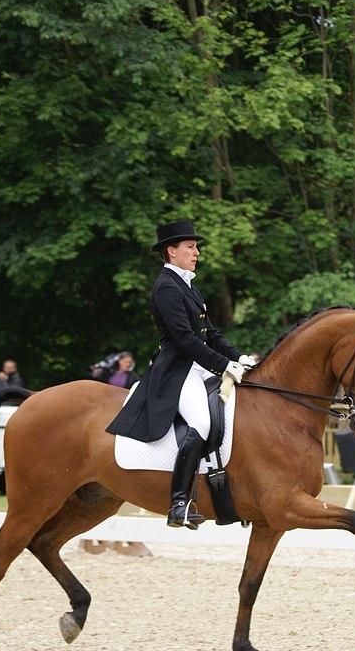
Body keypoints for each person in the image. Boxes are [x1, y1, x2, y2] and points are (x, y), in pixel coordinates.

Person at [106, 219, 256, 529]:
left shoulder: (187, 284)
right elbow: (185, 339)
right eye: (190, 247)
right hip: (178, 370)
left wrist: (238, 356)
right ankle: (178, 502)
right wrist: (225, 365)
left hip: (199, 367)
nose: (196, 252)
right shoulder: (166, 287)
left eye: (196, 247)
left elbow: (209, 332)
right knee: (200, 422)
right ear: (172, 251)